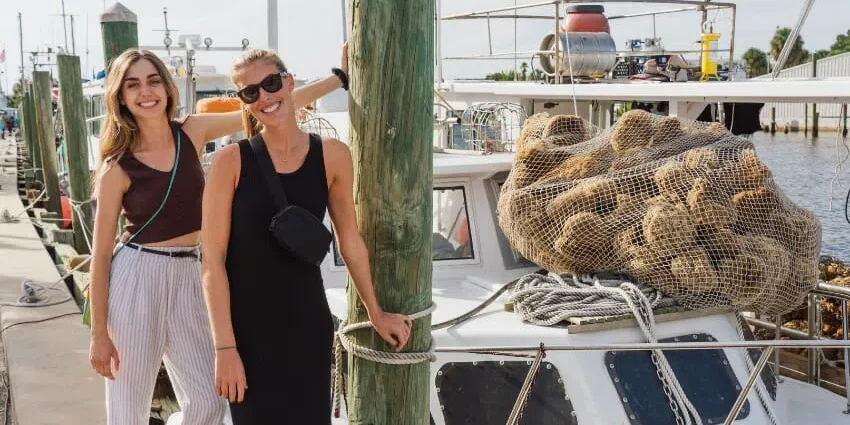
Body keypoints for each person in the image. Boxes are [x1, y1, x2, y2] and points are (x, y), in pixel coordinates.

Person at [87, 47, 347, 425]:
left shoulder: (192, 131)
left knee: (210, 401)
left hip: (191, 271)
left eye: (153, 81)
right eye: (133, 85)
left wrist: (339, 78)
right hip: (138, 274)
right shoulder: (117, 167)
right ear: (121, 97)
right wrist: (99, 333)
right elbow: (100, 255)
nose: (146, 92)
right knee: (128, 408)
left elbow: (273, 101)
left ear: (166, 87)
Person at [201, 48, 412, 423]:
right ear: (244, 101)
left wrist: (376, 312)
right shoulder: (229, 162)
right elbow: (212, 262)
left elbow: (350, 241)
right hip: (247, 333)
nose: (265, 96)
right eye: (251, 92)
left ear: (288, 82)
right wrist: (224, 348)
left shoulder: (334, 155)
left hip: (307, 325)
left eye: (271, 83)